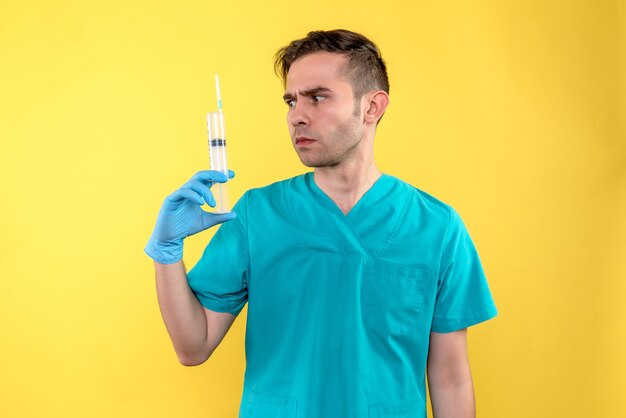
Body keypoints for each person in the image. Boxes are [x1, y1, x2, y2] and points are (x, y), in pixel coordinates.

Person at [146, 29, 497, 418]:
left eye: (317, 97)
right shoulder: (257, 215)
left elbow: (450, 377)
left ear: (372, 107)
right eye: (291, 100)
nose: (297, 115)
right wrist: (167, 253)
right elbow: (193, 347)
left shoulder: (437, 228)